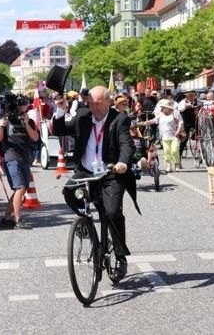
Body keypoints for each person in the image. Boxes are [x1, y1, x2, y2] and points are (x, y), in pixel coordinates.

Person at [53, 86, 140, 282]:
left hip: (110, 172)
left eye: (98, 103)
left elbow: (127, 144)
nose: (93, 107)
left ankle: (120, 256)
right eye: (90, 103)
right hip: (85, 171)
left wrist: (123, 163)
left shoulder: (119, 119)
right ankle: (84, 222)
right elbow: (60, 129)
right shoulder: (83, 116)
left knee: (111, 213)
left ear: (109, 102)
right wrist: (60, 109)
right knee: (68, 192)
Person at [0, 95, 39, 230]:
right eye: (24, 104)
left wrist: (26, 123)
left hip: (25, 158)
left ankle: (6, 219)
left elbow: (35, 138)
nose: (26, 107)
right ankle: (18, 220)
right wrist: (1, 127)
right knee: (20, 188)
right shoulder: (6, 119)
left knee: (20, 189)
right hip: (11, 157)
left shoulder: (27, 120)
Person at [140, 99, 184, 172]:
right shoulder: (161, 114)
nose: (162, 108)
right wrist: (146, 123)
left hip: (174, 136)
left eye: (164, 107)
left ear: (168, 107)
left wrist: (178, 131)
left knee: (174, 150)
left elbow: (181, 122)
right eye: (162, 107)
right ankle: (168, 166)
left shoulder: (175, 113)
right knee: (166, 151)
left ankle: (176, 164)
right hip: (165, 136)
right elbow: (154, 120)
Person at [178, 89, 199, 157]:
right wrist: (185, 106)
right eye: (190, 95)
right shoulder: (183, 102)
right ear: (187, 96)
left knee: (200, 133)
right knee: (184, 140)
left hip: (195, 122)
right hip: (185, 122)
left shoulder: (198, 102)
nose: (192, 97)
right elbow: (180, 109)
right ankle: (179, 157)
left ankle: (195, 136)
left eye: (193, 95)